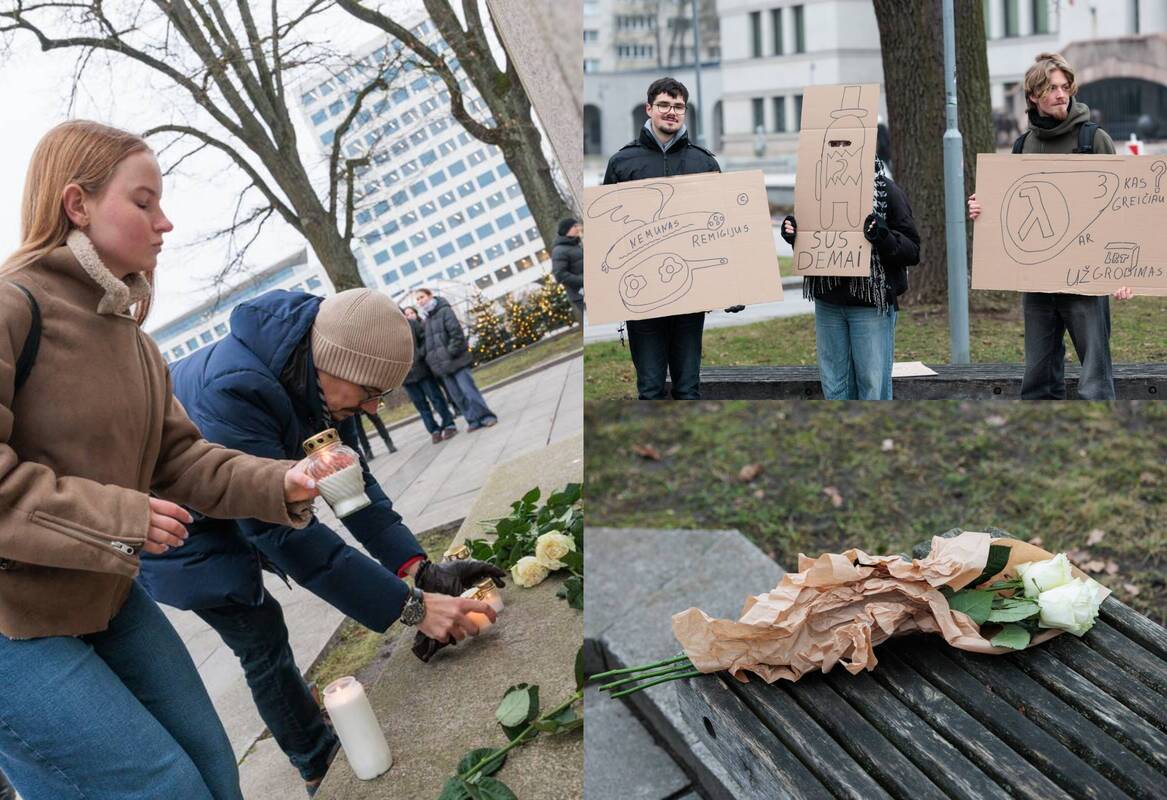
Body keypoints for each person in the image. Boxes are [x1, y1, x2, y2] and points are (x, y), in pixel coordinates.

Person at [0, 120, 319, 800]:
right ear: (76, 205)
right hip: (9, 621)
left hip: (99, 592)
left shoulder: (134, 341)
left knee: (211, 769)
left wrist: (282, 481)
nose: (164, 222)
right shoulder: (10, 307)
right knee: (166, 788)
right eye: (143, 201)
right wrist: (121, 518)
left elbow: (179, 461)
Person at [137, 288, 503, 795]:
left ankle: (312, 736)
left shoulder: (310, 368)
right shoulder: (234, 392)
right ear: (331, 363)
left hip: (234, 494)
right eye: (370, 391)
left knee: (266, 622)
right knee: (260, 635)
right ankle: (313, 762)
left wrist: (419, 568)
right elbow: (286, 536)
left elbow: (352, 488)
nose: (374, 407)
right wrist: (412, 609)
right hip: (180, 529)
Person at [968, 52, 1134, 400]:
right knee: (1038, 377)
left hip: (1086, 282)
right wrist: (984, 209)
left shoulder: (1094, 140)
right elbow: (1011, 210)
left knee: (1095, 379)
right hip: (1038, 281)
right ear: (1033, 96)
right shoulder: (1023, 146)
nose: (1062, 94)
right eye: (1052, 88)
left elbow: (1124, 208)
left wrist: (1124, 272)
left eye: (1065, 87)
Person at [602, 76, 743, 400]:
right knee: (650, 388)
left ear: (685, 112)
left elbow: (722, 230)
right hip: (641, 298)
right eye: (664, 105)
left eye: (678, 106)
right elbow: (608, 233)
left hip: (690, 294)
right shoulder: (622, 163)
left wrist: (734, 286)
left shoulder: (703, 162)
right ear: (649, 108)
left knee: (687, 388)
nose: (671, 112)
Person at [780, 158, 920, 399]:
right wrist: (794, 235)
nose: (840, 152)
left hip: (869, 307)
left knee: (871, 386)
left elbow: (913, 250)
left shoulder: (887, 192)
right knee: (834, 385)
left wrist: (882, 236)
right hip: (829, 302)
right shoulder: (816, 191)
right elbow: (814, 241)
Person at [414, 287, 498, 430]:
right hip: (442, 367)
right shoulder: (426, 319)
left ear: (430, 296)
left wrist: (449, 353)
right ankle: (473, 420)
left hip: (456, 361)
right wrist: (432, 360)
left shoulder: (444, 310)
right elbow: (429, 344)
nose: (420, 301)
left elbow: (456, 334)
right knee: (458, 397)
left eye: (422, 297)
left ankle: (486, 416)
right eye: (417, 299)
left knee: (469, 391)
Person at [403, 305, 458, 443]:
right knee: (421, 405)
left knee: (436, 398)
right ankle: (434, 430)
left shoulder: (412, 324)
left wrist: (419, 355)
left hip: (422, 369)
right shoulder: (382, 335)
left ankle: (449, 424)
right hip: (405, 377)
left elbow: (425, 340)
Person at [551, 217, 584, 322]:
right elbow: (560, 275)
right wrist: (583, 280)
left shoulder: (575, 245)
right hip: (580, 294)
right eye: (575, 226)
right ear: (567, 230)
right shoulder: (559, 250)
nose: (579, 228)